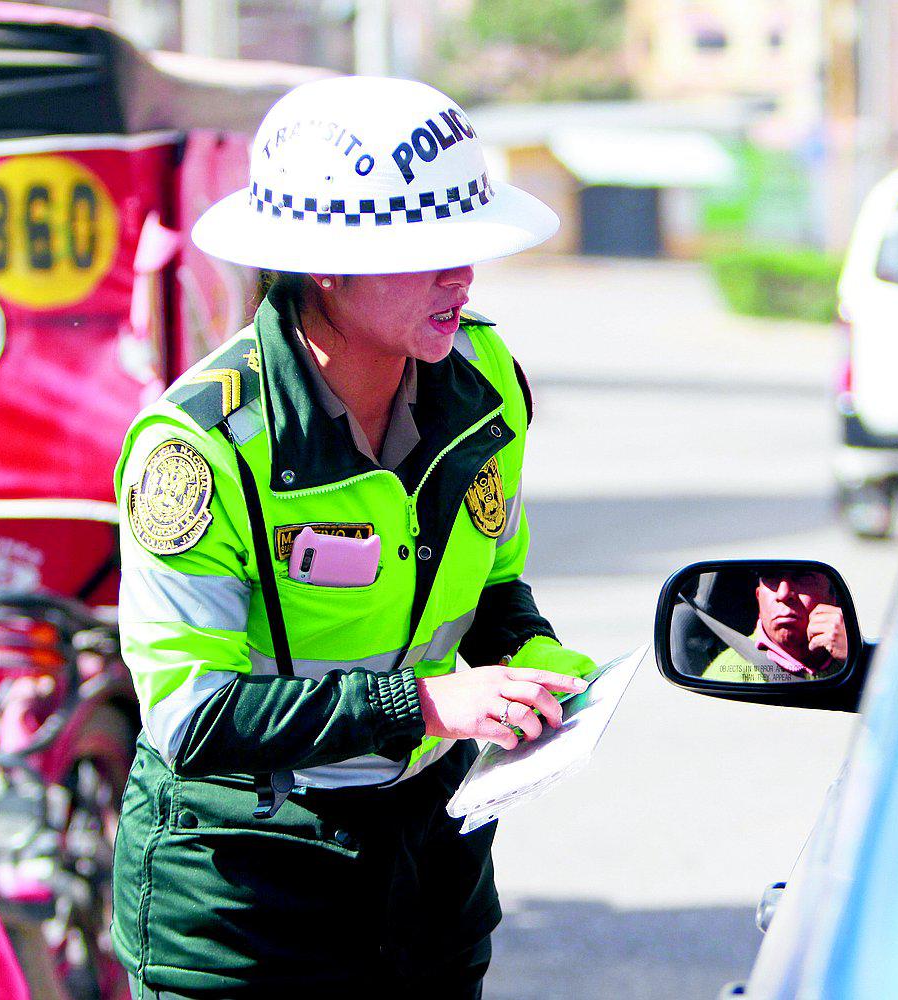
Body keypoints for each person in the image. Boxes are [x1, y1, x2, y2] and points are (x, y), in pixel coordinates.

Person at [110, 77, 597, 997]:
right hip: (241, 893)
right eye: (426, 255)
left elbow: (491, 584)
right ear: (323, 264)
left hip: (431, 863)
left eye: (469, 248)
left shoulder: (484, 377)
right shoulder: (197, 448)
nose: (461, 278)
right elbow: (192, 715)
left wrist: (532, 668)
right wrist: (426, 707)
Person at [703, 571, 847, 682]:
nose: (783, 594)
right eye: (772, 577)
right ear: (759, 598)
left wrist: (851, 656)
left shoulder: (853, 654)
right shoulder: (724, 674)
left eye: (803, 577)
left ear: (832, 598)